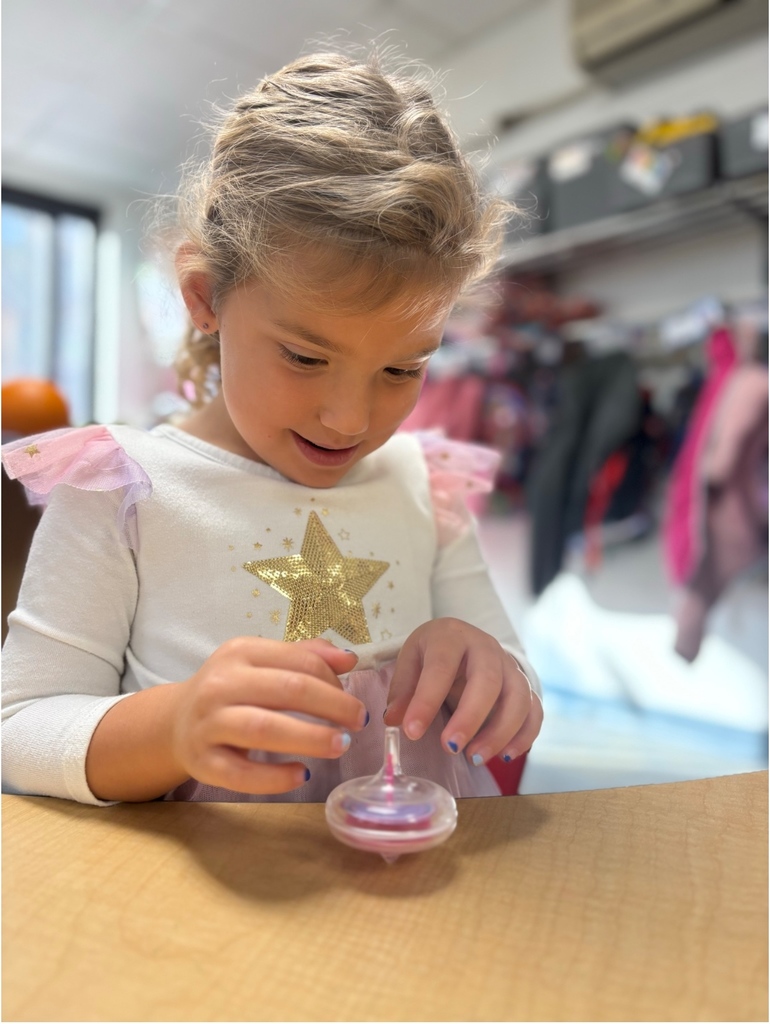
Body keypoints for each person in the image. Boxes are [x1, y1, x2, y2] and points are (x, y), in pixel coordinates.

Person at [1, 49, 542, 806]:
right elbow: (21, 726)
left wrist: (494, 671)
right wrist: (174, 724)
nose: (351, 419)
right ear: (205, 298)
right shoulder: (122, 486)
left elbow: (517, 673)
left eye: (403, 369)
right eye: (304, 356)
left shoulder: (423, 484)